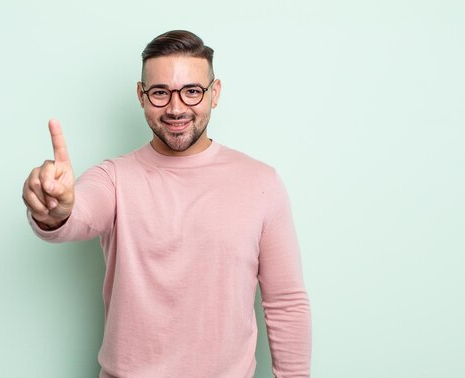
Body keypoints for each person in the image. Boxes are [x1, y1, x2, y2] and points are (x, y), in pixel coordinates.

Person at [22, 30, 311, 378]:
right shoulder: (114, 178)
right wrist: (54, 212)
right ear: (141, 96)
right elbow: (77, 213)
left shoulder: (261, 183)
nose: (176, 108)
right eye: (160, 93)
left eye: (192, 91)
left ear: (214, 93)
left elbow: (286, 304)